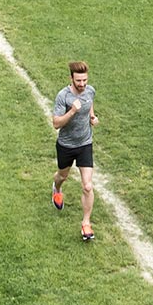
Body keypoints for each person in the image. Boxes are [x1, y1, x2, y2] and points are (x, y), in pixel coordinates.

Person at [51, 60, 99, 241]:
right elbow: (56, 123)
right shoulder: (63, 97)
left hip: (85, 144)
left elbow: (90, 103)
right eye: (79, 81)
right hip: (66, 145)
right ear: (71, 78)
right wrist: (72, 111)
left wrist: (92, 117)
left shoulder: (90, 90)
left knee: (87, 185)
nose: (82, 84)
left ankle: (86, 223)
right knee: (62, 176)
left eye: (85, 80)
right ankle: (56, 188)